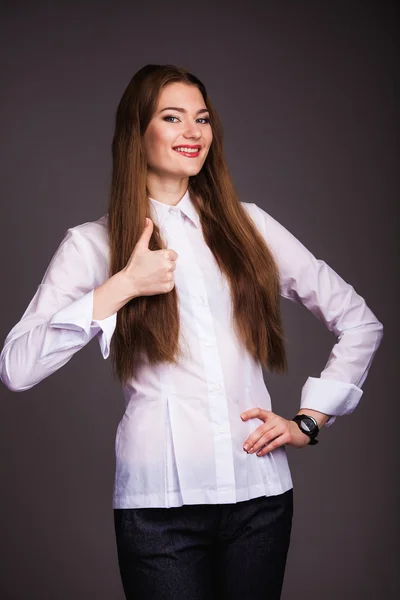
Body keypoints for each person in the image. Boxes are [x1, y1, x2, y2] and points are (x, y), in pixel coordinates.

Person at [0, 64, 384, 600]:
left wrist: (310, 421)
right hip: (157, 512)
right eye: (172, 117)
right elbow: (16, 368)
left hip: (260, 500)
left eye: (202, 119)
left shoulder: (250, 226)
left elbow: (360, 322)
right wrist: (123, 286)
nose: (193, 132)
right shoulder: (91, 245)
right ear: (138, 132)